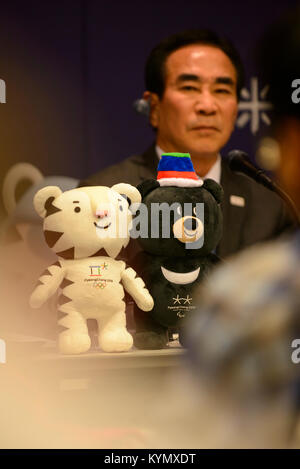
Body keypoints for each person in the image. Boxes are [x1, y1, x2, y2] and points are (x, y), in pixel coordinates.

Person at [79, 29, 293, 258]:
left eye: (222, 90)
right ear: (154, 107)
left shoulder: (270, 205)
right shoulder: (105, 194)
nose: (208, 106)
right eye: (189, 88)